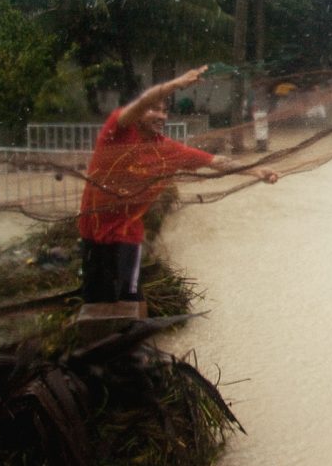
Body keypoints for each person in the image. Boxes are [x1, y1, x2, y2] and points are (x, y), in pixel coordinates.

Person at [77, 65, 278, 304]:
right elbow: (140, 103)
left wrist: (255, 171)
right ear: (140, 112)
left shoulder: (168, 151)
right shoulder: (117, 131)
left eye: (165, 111)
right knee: (96, 299)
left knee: (130, 297)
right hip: (93, 230)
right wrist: (175, 84)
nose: (161, 116)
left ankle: (132, 325)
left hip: (127, 234)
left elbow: (216, 161)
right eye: (154, 110)